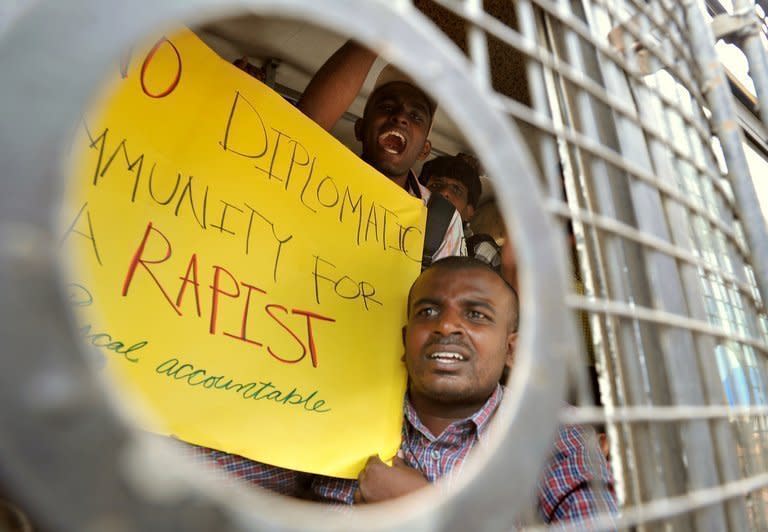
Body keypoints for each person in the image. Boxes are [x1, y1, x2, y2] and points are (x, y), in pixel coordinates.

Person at [192, 257, 616, 525]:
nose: (446, 325)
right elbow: (213, 470)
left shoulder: (556, 436)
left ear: (511, 349)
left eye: (476, 314)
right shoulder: (338, 412)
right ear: (405, 338)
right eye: (428, 311)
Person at [296, 41, 466, 262]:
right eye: (387, 107)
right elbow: (301, 129)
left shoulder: (441, 219)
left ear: (424, 150)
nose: (400, 117)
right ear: (360, 129)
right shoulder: (318, 174)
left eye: (415, 116)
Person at [419, 154, 502, 270]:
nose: (444, 192)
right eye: (436, 185)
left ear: (469, 211)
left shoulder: (479, 251)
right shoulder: (397, 222)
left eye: (456, 189)